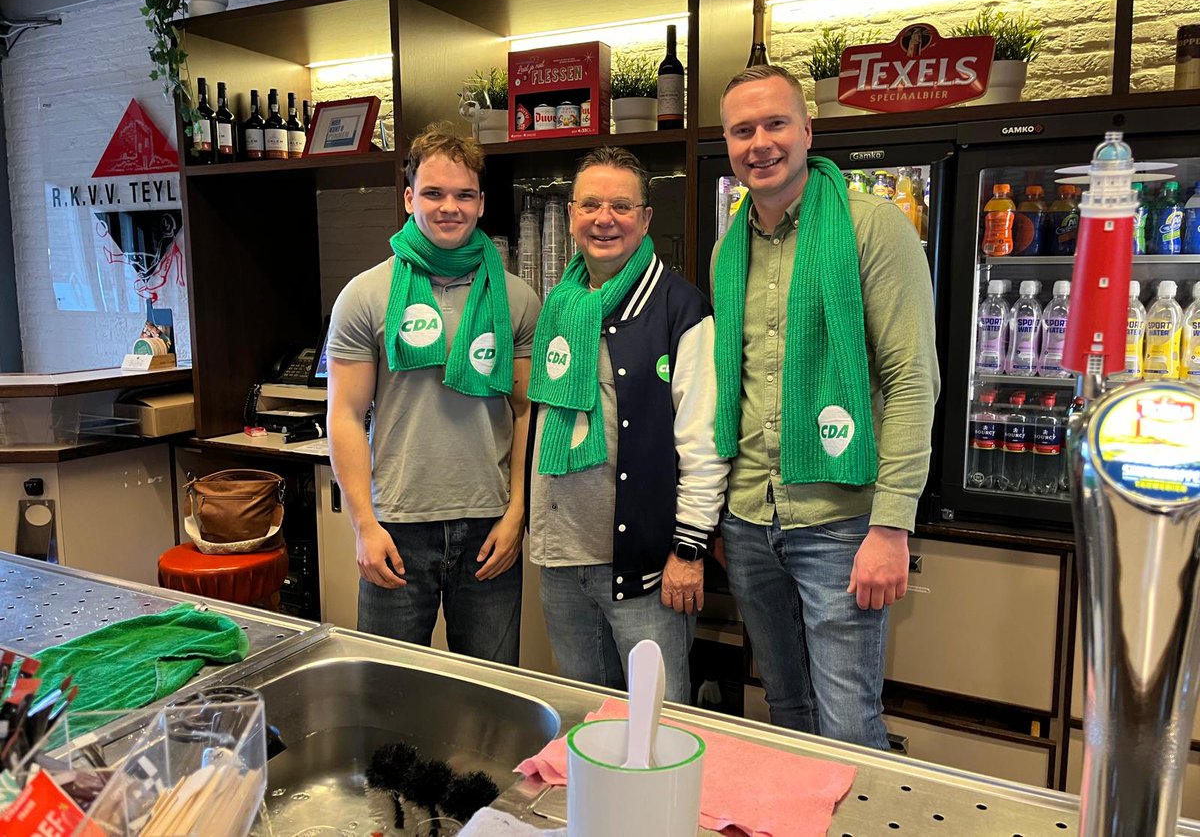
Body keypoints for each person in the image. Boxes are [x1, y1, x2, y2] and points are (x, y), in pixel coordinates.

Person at [713, 65, 940, 748]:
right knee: (787, 712)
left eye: (775, 123)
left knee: (847, 722)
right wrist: (719, 516)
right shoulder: (730, 247)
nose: (760, 143)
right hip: (749, 520)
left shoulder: (873, 227)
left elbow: (911, 379)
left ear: (808, 131)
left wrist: (892, 526)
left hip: (841, 522)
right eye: (742, 130)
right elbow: (738, 383)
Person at [325, 122, 540, 665]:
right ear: (408, 198)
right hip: (395, 528)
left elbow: (526, 412)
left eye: (464, 195)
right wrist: (363, 526)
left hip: (489, 528)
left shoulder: (517, 299)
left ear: (482, 203)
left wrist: (517, 514)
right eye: (434, 193)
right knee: (390, 694)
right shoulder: (365, 295)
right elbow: (345, 415)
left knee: (490, 695)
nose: (450, 207)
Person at [526, 146, 727, 703]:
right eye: (591, 205)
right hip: (562, 560)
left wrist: (689, 551)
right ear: (571, 214)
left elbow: (704, 442)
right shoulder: (560, 304)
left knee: (656, 727)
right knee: (584, 724)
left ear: (646, 217)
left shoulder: (680, 308)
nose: (604, 219)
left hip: (645, 568)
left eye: (621, 206)